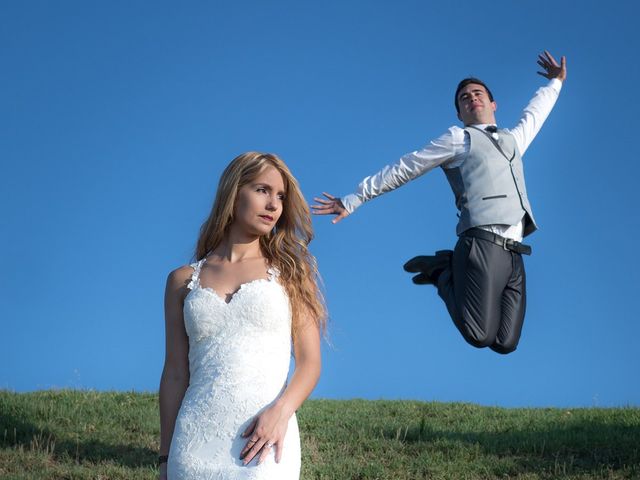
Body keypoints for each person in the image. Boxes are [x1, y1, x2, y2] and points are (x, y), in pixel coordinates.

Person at [313, 51, 566, 354]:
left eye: (478, 93)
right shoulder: (459, 140)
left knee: (505, 342)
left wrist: (555, 83)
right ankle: (443, 271)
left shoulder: (513, 140)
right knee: (478, 335)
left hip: (515, 251)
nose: (472, 98)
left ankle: (450, 266)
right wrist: (355, 198)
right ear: (460, 113)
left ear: (493, 104)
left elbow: (534, 115)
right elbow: (407, 166)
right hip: (481, 242)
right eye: (464, 98)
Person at [158, 152, 325, 479]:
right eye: (263, 190)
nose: (274, 204)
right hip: (192, 447)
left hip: (266, 441)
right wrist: (164, 459)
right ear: (234, 193)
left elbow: (310, 362)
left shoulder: (292, 272)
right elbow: (176, 372)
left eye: (280, 196)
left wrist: (281, 412)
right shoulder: (180, 281)